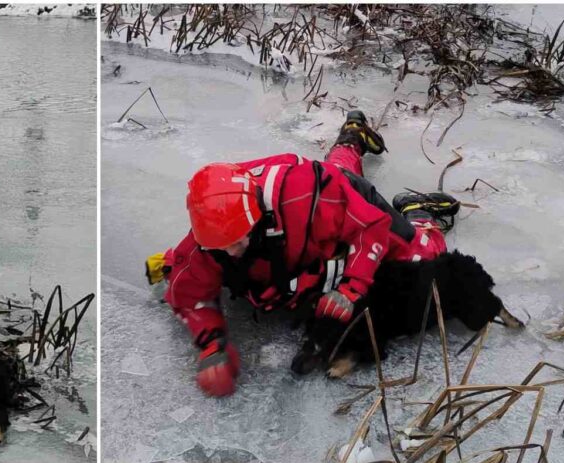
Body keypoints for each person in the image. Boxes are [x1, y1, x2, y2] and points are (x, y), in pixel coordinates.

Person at [145, 110, 460, 397]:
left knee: (424, 259)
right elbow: (188, 297)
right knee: (335, 170)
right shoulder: (208, 239)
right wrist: (211, 347)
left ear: (256, 219)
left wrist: (352, 289)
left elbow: (370, 228)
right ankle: (352, 136)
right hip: (325, 186)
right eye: (220, 246)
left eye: (236, 241)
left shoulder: (310, 198)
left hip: (344, 199)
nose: (229, 252)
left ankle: (419, 214)